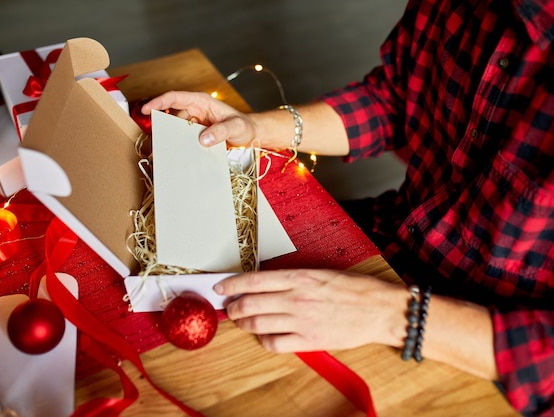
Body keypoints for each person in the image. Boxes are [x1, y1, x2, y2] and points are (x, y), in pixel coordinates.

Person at [142, 0, 554, 415]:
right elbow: (393, 98)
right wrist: (259, 128)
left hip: (489, 352)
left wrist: (394, 314)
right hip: (392, 240)